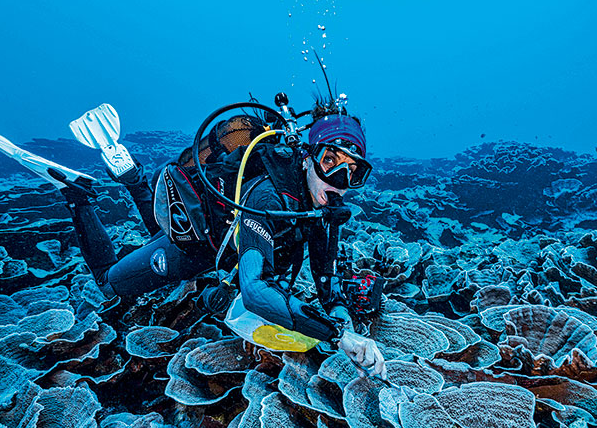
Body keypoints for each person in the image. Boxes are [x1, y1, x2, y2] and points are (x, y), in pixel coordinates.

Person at [57, 101, 387, 380]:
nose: (340, 181)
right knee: (111, 282)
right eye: (330, 161)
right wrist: (339, 336)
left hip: (225, 250)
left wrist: (348, 328)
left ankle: (133, 177)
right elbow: (256, 292)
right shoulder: (268, 198)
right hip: (199, 248)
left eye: (353, 172)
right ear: (307, 156)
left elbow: (328, 290)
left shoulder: (323, 209)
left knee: (159, 233)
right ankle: (77, 194)